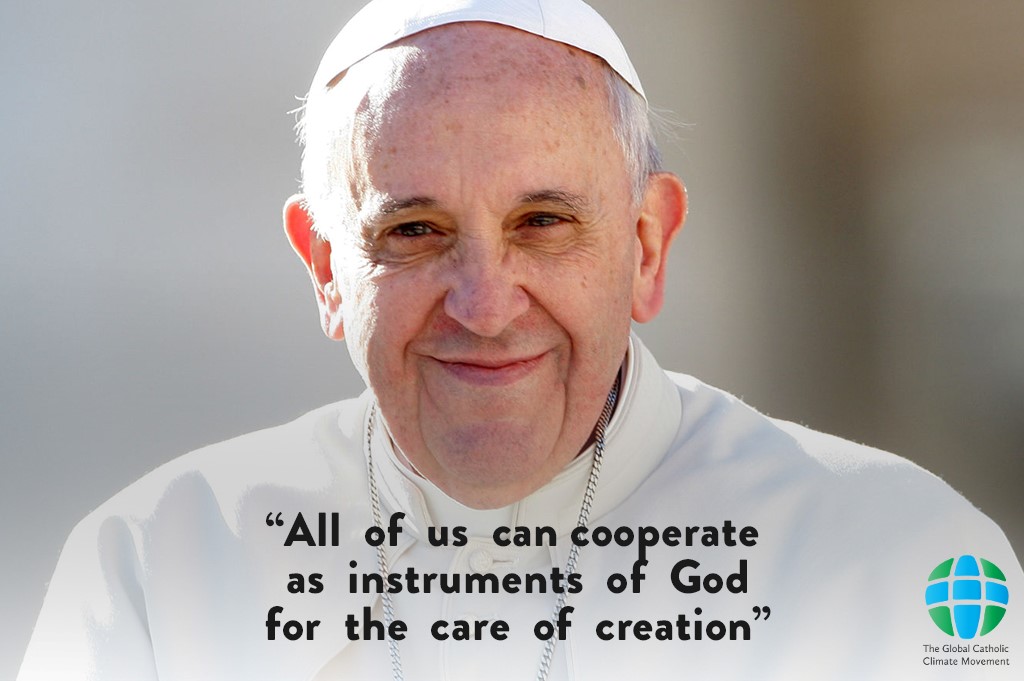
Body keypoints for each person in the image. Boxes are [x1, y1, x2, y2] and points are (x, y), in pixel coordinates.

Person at [19, 1, 1022, 679]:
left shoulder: (893, 554)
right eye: (414, 232)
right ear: (324, 267)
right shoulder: (156, 564)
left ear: (646, 246)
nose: (486, 306)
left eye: (543, 224)